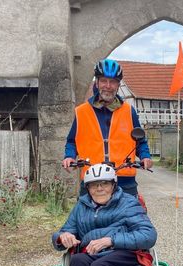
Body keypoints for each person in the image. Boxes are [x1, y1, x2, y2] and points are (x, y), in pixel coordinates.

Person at [62, 58, 153, 197]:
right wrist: (69, 156)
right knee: (83, 217)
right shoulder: (81, 112)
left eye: (113, 82)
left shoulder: (129, 111)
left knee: (135, 216)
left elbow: (140, 141)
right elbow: (72, 141)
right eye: (104, 80)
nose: (108, 86)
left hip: (124, 180)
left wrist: (145, 157)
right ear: (97, 83)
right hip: (92, 178)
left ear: (118, 85)